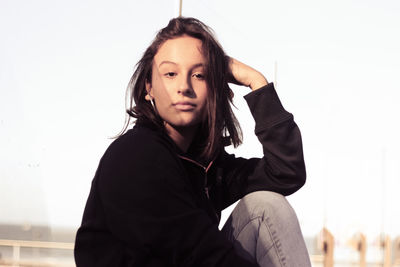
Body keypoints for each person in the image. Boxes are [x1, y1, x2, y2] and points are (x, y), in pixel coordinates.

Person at [74, 17, 311, 267]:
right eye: (170, 74)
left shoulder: (205, 166)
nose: (184, 86)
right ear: (149, 88)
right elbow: (200, 256)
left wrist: (256, 82)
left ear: (215, 88)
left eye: (199, 75)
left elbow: (286, 172)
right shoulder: (134, 156)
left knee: (265, 207)